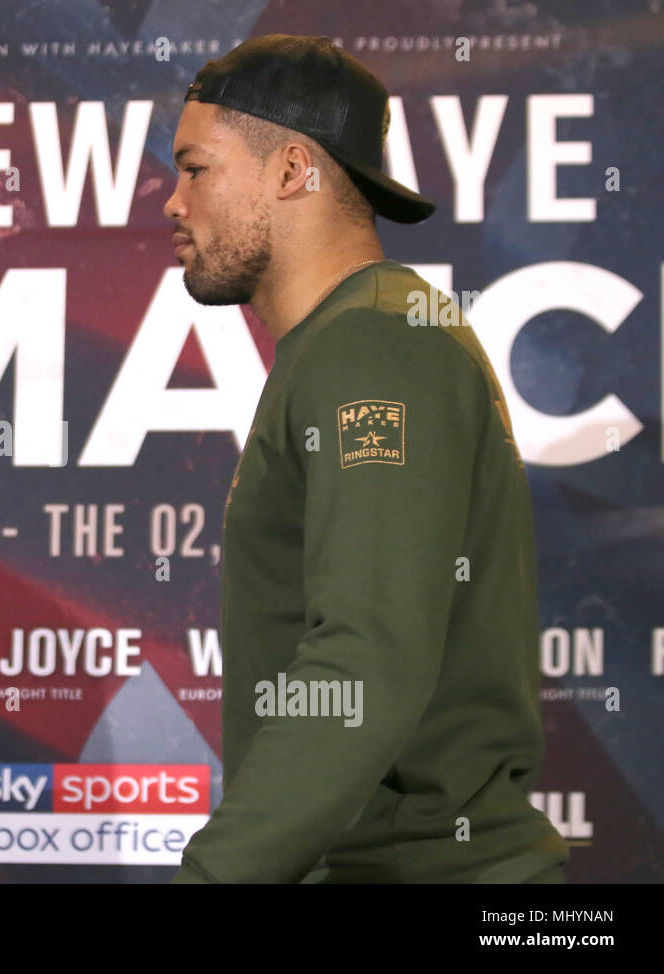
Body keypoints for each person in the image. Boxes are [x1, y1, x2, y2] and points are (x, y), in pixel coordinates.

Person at [164, 36, 568, 882]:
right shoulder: (350, 341)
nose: (174, 202)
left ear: (291, 170)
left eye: (196, 169)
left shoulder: (374, 345)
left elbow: (365, 658)